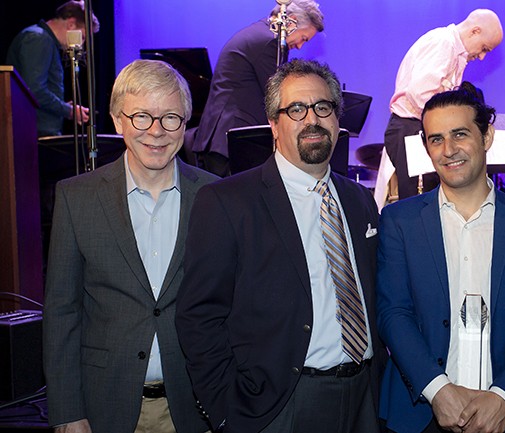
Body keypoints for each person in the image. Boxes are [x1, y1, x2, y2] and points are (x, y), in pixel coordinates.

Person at [176, 59, 384, 433]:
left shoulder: (360, 200)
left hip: (363, 401)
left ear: (337, 119)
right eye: (296, 110)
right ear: (274, 124)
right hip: (278, 406)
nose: (312, 120)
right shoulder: (227, 202)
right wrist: (225, 410)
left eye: (323, 107)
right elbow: (199, 316)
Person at [42, 59, 218, 433]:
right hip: (104, 406)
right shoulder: (77, 198)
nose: (156, 131)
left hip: (195, 408)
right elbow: (62, 312)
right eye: (141, 116)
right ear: (118, 120)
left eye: (171, 117)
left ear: (185, 124)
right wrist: (67, 411)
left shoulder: (216, 196)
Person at [377, 82, 505, 433]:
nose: (448, 150)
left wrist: (504, 397)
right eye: (436, 139)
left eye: (460, 134)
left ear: (486, 136)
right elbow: (393, 313)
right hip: (421, 415)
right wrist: (438, 391)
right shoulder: (400, 221)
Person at [191, 0, 324, 177]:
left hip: (222, 139)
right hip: (231, 143)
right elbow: (279, 97)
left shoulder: (259, 34)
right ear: (290, 21)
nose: (300, 46)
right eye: (304, 38)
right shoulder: (269, 43)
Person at [384, 9, 503, 201]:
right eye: (484, 48)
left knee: (432, 200)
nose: (482, 57)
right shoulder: (444, 44)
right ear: (475, 31)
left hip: (420, 128)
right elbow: (421, 94)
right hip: (411, 128)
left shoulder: (454, 51)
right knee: (419, 201)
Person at [6, 0, 97, 137]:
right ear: (71, 24)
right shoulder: (39, 39)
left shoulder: (44, 40)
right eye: (82, 37)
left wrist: (62, 106)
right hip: (35, 133)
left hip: (37, 130)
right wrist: (69, 110)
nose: (81, 45)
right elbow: (34, 91)